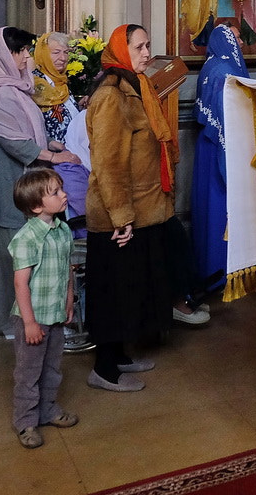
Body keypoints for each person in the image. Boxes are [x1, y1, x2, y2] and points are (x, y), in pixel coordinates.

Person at [85, 24, 205, 393]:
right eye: (139, 47)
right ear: (121, 50)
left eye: (149, 45)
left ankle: (120, 355)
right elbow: (109, 164)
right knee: (112, 292)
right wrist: (121, 218)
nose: (147, 53)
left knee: (130, 288)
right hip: (118, 215)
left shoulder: (137, 87)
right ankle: (104, 369)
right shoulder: (110, 96)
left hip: (144, 208)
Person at [0, 27, 80, 336]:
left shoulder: (15, 85)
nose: (27, 56)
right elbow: (15, 141)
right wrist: (53, 158)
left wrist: (50, 146)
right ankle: (1, 320)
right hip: (2, 179)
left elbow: (29, 131)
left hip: (15, 173)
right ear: (5, 54)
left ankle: (14, 318)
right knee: (7, 253)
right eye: (21, 51)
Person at [8, 168, 78, 449]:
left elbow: (67, 270)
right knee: (28, 373)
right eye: (56, 193)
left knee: (52, 368)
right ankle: (25, 422)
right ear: (37, 206)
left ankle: (47, 410)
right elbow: (20, 284)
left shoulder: (62, 231)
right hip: (33, 318)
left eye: (61, 189)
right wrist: (29, 323)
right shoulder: (26, 238)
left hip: (56, 314)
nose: (64, 195)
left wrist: (69, 299)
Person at [190, 25, 246, 308]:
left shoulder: (210, 66)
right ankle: (224, 272)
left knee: (208, 211)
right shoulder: (225, 72)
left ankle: (208, 270)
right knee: (221, 211)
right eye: (235, 37)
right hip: (222, 148)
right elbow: (229, 121)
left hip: (207, 148)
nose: (240, 41)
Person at [31, 32, 91, 224]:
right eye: (56, 52)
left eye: (66, 52)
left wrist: (79, 107)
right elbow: (35, 123)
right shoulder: (35, 84)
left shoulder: (61, 82)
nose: (63, 58)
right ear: (42, 54)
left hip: (75, 152)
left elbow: (65, 114)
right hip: (55, 158)